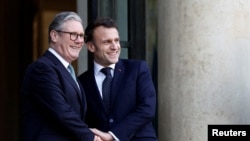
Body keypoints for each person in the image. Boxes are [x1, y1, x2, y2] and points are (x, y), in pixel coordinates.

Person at [21, 11, 102, 141]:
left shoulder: (68, 71)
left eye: (81, 36)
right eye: (73, 35)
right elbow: (61, 111)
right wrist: (91, 137)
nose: (79, 41)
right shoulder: (42, 68)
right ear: (54, 35)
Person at [78, 17, 158, 141]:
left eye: (116, 40)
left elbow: (147, 109)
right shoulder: (82, 82)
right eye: (107, 42)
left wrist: (113, 135)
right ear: (91, 47)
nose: (115, 47)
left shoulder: (137, 69)